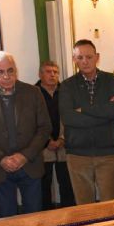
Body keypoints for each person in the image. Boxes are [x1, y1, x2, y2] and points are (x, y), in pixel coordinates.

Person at [0, 51, 51, 217]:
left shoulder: (33, 92)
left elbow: (44, 128)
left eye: (10, 70)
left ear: (16, 71)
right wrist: (1, 159)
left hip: (30, 165)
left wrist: (24, 156)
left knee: (34, 219)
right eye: (0, 71)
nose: (6, 76)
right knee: (7, 221)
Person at [59, 39, 114, 205]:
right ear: (74, 60)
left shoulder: (112, 81)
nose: (85, 61)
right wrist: (103, 114)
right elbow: (68, 118)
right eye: (80, 57)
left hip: (107, 152)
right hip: (78, 154)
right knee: (84, 206)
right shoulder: (67, 86)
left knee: (110, 205)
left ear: (97, 57)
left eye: (89, 57)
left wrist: (84, 109)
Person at [36, 61, 75, 209]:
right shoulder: (33, 93)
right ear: (40, 74)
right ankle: (46, 219)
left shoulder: (66, 91)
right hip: (41, 147)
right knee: (43, 185)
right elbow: (31, 120)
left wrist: (62, 139)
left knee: (67, 184)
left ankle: (69, 218)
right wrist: (47, 141)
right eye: (48, 71)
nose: (52, 75)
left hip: (64, 145)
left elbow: (72, 116)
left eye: (55, 72)